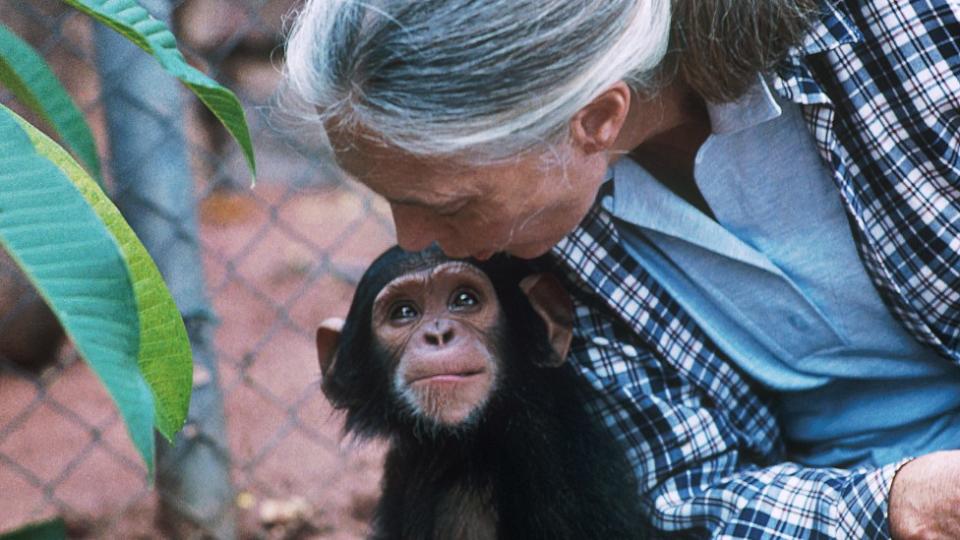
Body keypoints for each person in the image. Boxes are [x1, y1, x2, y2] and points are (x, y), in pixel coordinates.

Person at [284, 0, 960, 537]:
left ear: (597, 118)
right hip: (840, 501)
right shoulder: (543, 250)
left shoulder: (892, 29)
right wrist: (898, 502)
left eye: (449, 202)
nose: (413, 237)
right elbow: (682, 496)